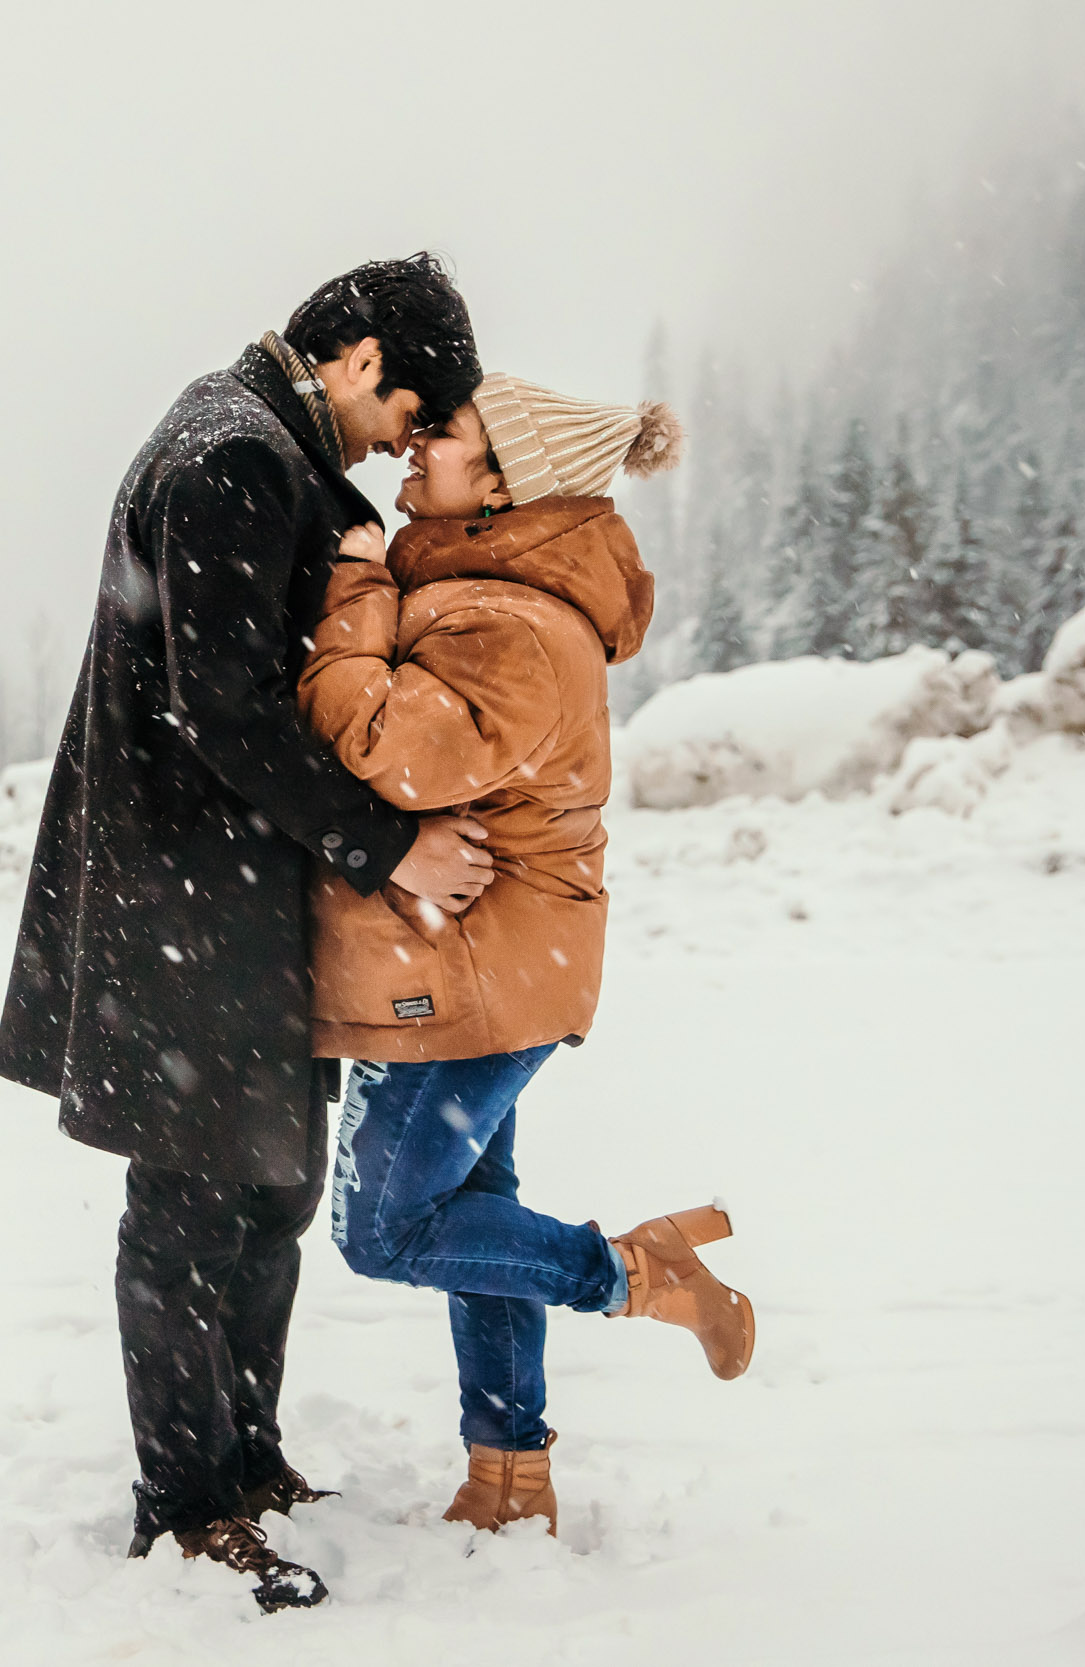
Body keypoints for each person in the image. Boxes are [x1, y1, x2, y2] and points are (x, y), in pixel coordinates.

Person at [0, 255, 497, 1613]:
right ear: (357, 357)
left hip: (212, 893)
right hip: (187, 895)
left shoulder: (239, 436)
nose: (405, 441)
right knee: (190, 1201)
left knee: (263, 1186)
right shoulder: (236, 458)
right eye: (409, 407)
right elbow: (224, 709)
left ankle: (249, 1455)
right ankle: (186, 1502)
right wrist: (389, 844)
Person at [298, 374, 754, 1539]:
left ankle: (636, 1272)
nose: (410, 447)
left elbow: (376, 745)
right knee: (474, 1206)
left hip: (470, 975)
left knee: (383, 1229)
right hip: (499, 964)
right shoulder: (483, 593)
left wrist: (351, 588)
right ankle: (509, 1473)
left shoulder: (503, 619)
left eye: (440, 436)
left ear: (501, 479)